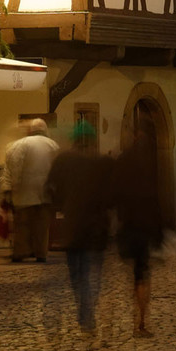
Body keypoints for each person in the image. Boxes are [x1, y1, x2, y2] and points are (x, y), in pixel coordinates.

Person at [50, 116, 111, 337]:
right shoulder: (102, 163)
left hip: (73, 228)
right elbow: (111, 197)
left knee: (77, 274)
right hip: (97, 229)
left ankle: (85, 314)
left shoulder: (63, 160)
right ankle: (88, 310)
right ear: (92, 141)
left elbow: (50, 188)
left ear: (74, 140)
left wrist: (61, 206)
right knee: (93, 274)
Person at [110, 115, 165, 335]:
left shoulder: (124, 159)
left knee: (135, 274)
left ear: (134, 135)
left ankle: (137, 318)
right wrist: (160, 230)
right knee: (142, 273)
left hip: (129, 224)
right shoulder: (152, 160)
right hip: (146, 224)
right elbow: (156, 197)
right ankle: (141, 321)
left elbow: (113, 194)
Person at [0, 116, 56, 264]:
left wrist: (10, 189)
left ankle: (21, 252)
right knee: (42, 227)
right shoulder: (53, 146)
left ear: (31, 130)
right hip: (46, 194)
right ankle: (41, 253)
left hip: (24, 194)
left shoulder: (19, 145)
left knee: (22, 225)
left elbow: (13, 168)